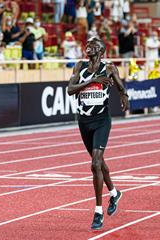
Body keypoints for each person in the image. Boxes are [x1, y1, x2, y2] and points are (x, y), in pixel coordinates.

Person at [67, 37, 129, 230]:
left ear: (102, 51)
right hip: (83, 121)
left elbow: (120, 86)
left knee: (95, 164)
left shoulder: (109, 68)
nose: (89, 47)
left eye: (94, 45)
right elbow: (70, 90)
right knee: (99, 163)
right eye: (88, 44)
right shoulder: (80, 66)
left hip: (102, 121)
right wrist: (92, 81)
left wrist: (123, 97)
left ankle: (98, 211)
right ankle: (114, 193)